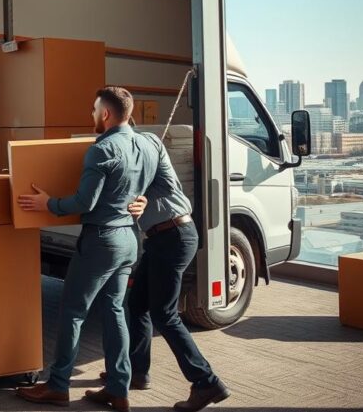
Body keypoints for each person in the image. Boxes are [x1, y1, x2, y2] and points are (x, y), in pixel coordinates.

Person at [14, 87, 157, 412]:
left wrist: (47, 203)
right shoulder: (147, 144)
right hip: (129, 238)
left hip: (101, 241)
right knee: (115, 310)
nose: (92, 115)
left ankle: (57, 385)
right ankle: (119, 389)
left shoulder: (101, 149)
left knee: (73, 311)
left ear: (105, 114)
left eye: (94, 110)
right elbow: (149, 185)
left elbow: (84, 202)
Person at [114, 132, 231, 412]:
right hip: (159, 238)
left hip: (174, 235)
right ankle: (138, 372)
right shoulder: (132, 156)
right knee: (137, 303)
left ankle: (206, 382)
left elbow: (149, 179)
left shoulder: (149, 145)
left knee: (164, 315)